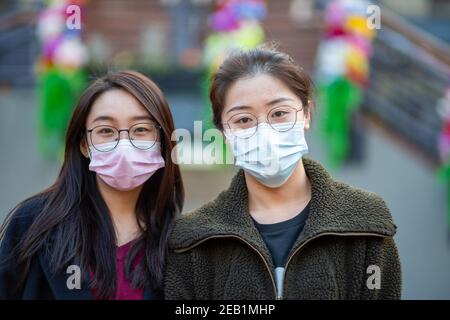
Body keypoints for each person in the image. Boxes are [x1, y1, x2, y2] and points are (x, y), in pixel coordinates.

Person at [164, 45, 401, 300]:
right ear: (224, 132)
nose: (264, 132)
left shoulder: (367, 221)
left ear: (307, 113)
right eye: (243, 119)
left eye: (279, 113)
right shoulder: (194, 239)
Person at [0, 70, 184, 300]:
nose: (124, 144)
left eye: (141, 130)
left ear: (162, 142)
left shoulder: (182, 242)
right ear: (84, 145)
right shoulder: (32, 225)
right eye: (106, 131)